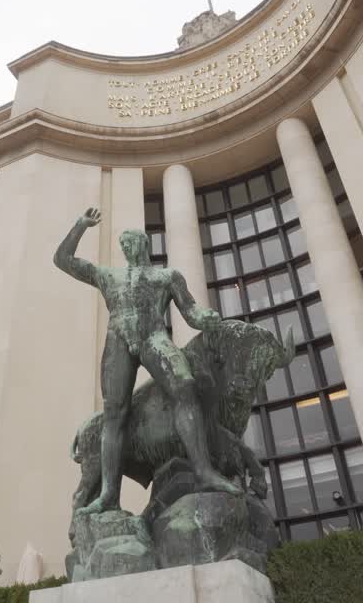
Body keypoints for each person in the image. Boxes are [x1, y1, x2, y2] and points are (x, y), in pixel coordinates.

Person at [54, 207, 241, 513]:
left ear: (144, 245)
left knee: (185, 386)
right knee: (114, 414)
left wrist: (205, 317)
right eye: (123, 244)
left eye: (131, 242)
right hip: (119, 342)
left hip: (154, 338)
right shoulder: (107, 275)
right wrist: (80, 226)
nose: (126, 247)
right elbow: (63, 260)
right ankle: (109, 495)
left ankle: (204, 472)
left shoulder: (166, 276)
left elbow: (191, 312)